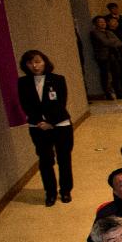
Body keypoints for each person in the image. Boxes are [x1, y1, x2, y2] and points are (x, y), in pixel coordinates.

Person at [18, 50, 74, 206]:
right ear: (26, 65)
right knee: (45, 160)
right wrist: (39, 122)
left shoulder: (57, 79)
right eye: (30, 63)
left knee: (64, 158)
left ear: (45, 62)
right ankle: (50, 193)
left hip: (60, 124)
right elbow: (25, 105)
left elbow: (61, 103)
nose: (35, 66)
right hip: (37, 126)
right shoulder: (23, 82)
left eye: (38, 61)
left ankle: (65, 191)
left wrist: (51, 122)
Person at [88, 15, 122, 100]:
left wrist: (110, 42)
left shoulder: (109, 32)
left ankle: (119, 93)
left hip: (113, 55)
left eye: (104, 22)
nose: (103, 24)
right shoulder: (95, 33)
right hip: (103, 57)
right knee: (105, 76)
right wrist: (112, 42)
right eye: (100, 22)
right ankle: (108, 94)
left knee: (116, 75)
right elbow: (104, 42)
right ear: (95, 24)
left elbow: (119, 42)